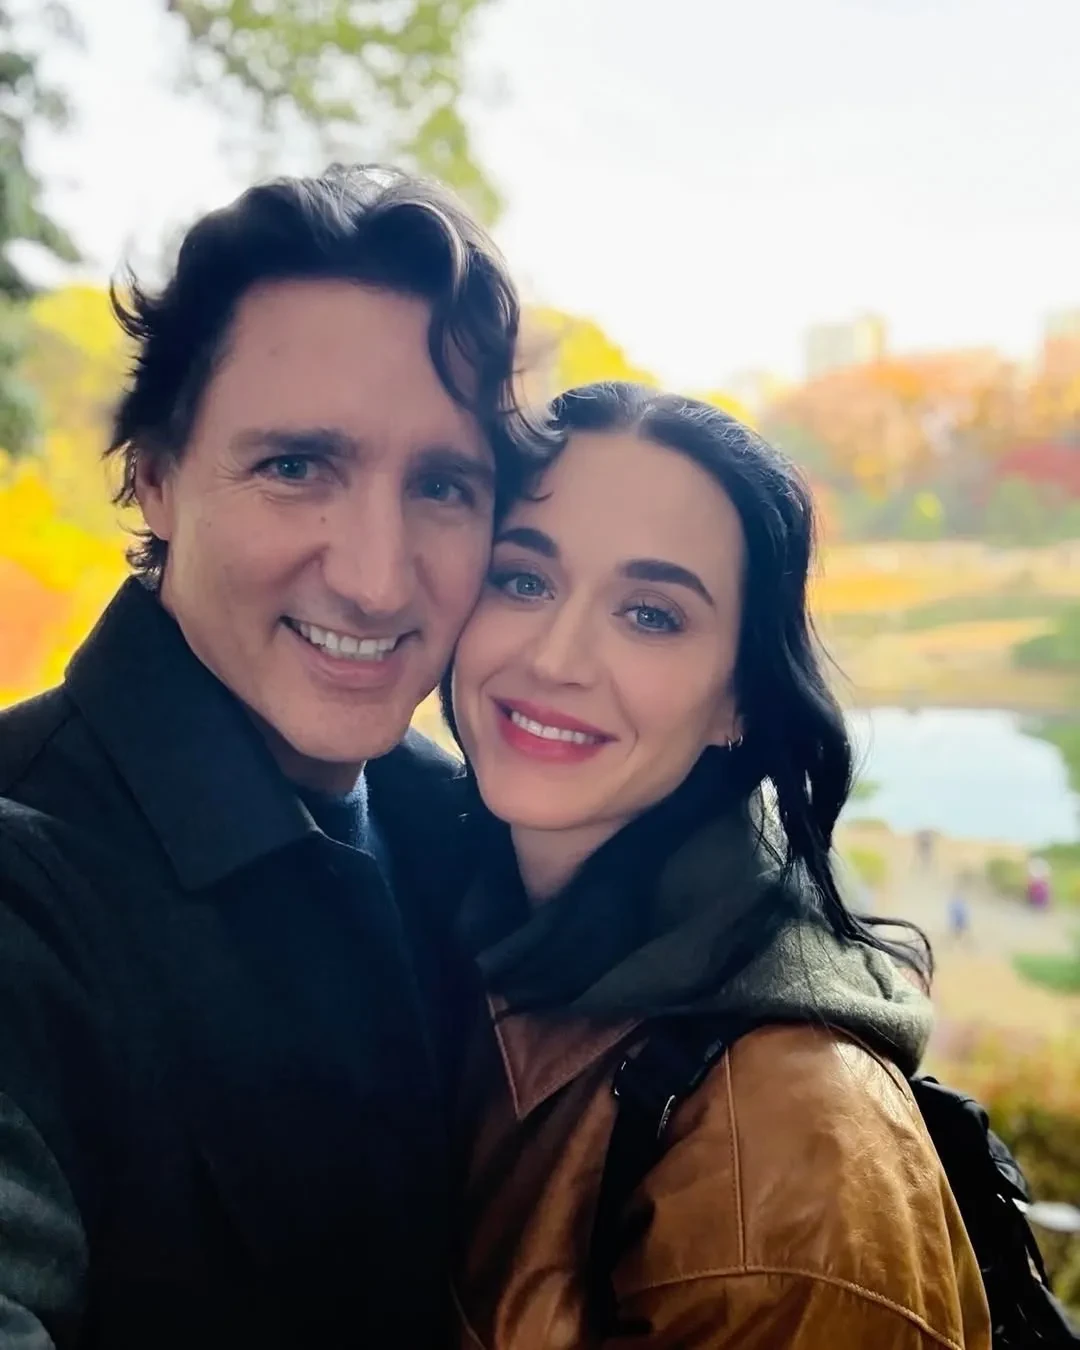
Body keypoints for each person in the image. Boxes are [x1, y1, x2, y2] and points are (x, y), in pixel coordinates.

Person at [0, 165, 550, 1349]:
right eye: (296, 466)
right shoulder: (25, 895)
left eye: (443, 485)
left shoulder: (466, 830)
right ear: (154, 476)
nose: (375, 577)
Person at [446, 384, 992, 1348]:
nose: (556, 658)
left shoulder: (791, 1160)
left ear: (740, 699)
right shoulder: (457, 918)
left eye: (650, 615)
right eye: (523, 580)